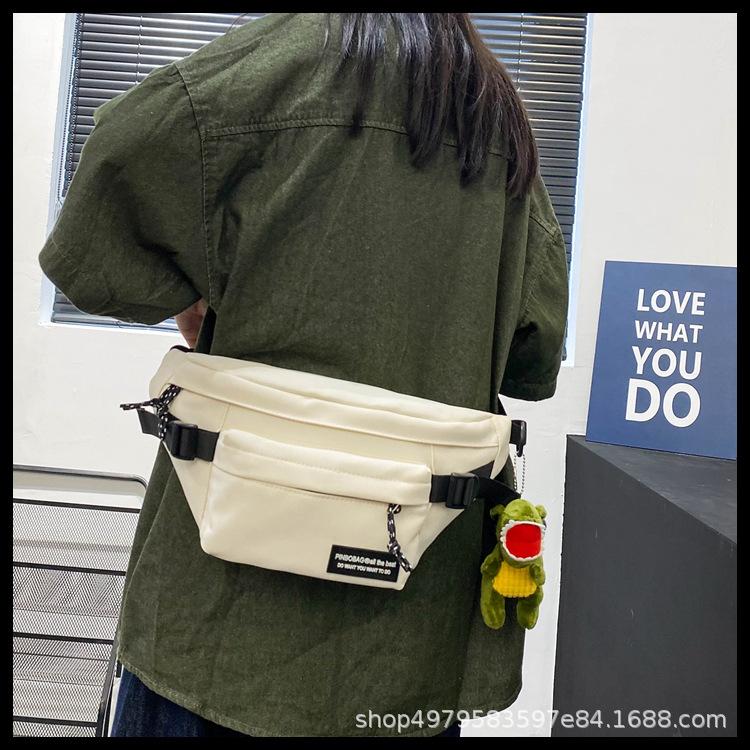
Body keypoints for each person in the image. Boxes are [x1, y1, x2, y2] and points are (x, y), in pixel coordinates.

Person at [38, 13, 569, 738]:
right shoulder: (491, 113)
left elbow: (96, 236)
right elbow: (532, 356)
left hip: (218, 628)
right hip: (405, 645)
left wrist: (188, 293)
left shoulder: (271, 66)